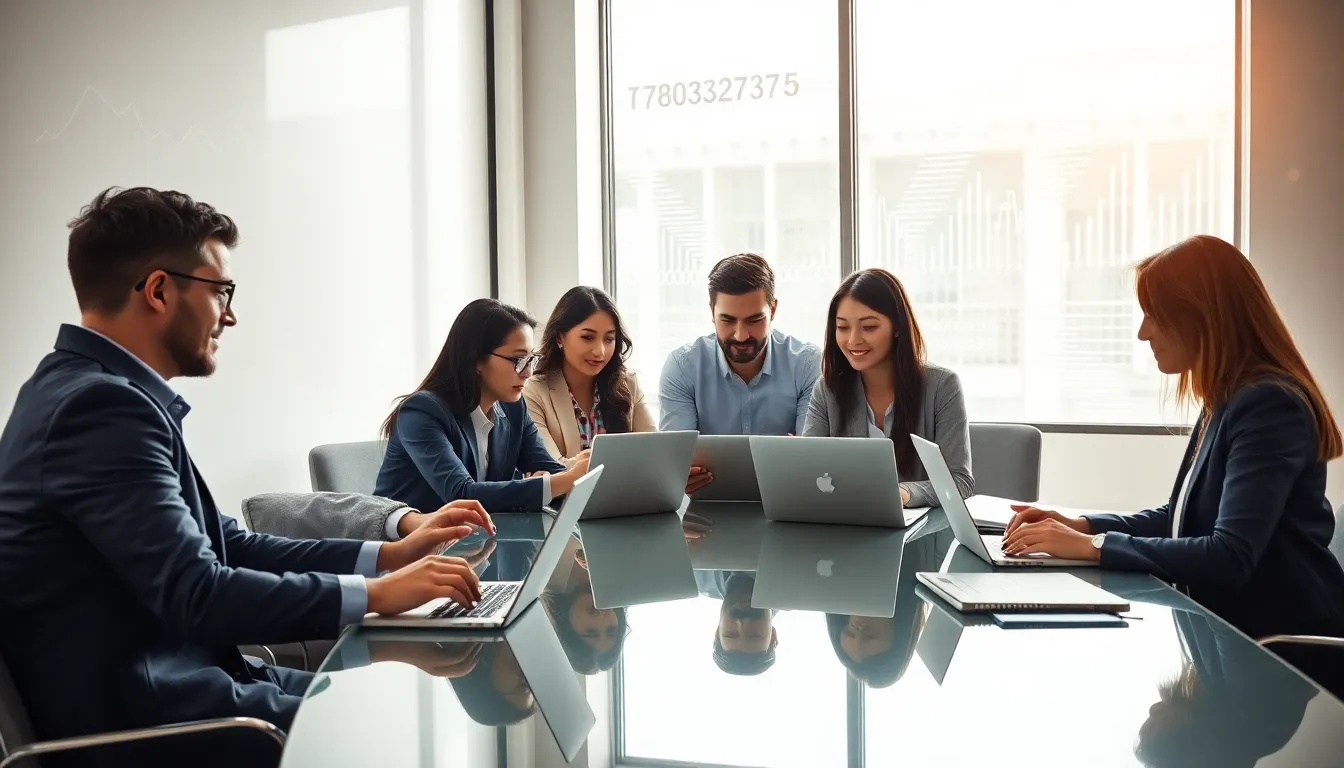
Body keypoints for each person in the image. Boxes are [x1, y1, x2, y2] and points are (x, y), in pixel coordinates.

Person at [0, 187, 490, 768]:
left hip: (189, 686)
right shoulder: (101, 410)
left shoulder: (89, 391)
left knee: (408, 705)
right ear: (158, 290)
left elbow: (227, 544)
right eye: (220, 291)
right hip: (154, 724)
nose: (229, 314)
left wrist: (387, 558)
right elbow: (198, 593)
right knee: (402, 729)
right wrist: (376, 597)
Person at [1002, 235, 1344, 694]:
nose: (1144, 333)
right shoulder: (1228, 398)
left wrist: (1095, 547)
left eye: (1154, 315)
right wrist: (1081, 525)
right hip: (1231, 635)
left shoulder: (1267, 404)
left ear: (1202, 317)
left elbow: (1230, 555)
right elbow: (1178, 520)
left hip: (1278, 653)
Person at [375, 299, 590, 525]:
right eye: (518, 360)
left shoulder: (514, 407)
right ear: (476, 360)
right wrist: (567, 479)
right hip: (411, 551)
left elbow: (550, 470)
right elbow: (461, 494)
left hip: (479, 544)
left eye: (531, 360)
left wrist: (555, 479)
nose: (527, 373)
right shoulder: (421, 411)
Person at [802, 268, 973, 507]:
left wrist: (904, 494)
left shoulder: (942, 386)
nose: (853, 340)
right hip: (846, 527)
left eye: (869, 327)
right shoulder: (828, 389)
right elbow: (806, 472)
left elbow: (960, 481)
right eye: (842, 327)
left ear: (898, 327)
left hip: (921, 535)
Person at [660, 253, 821, 493]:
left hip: (791, 503)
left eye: (754, 320)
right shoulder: (682, 367)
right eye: (727, 320)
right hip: (703, 515)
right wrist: (677, 475)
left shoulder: (807, 364)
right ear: (711, 311)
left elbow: (812, 460)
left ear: (773, 309)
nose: (740, 335)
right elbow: (676, 462)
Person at [523, 286, 655, 467]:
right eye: (587, 337)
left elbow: (655, 453)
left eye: (609, 339)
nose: (600, 352)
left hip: (627, 494)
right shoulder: (534, 392)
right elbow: (552, 468)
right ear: (560, 338)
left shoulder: (628, 384)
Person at [696, 570, 777, 676]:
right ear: (773, 637)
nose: (741, 622)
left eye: (731, 633)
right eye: (754, 635)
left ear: (718, 631)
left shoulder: (699, 575)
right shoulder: (795, 581)